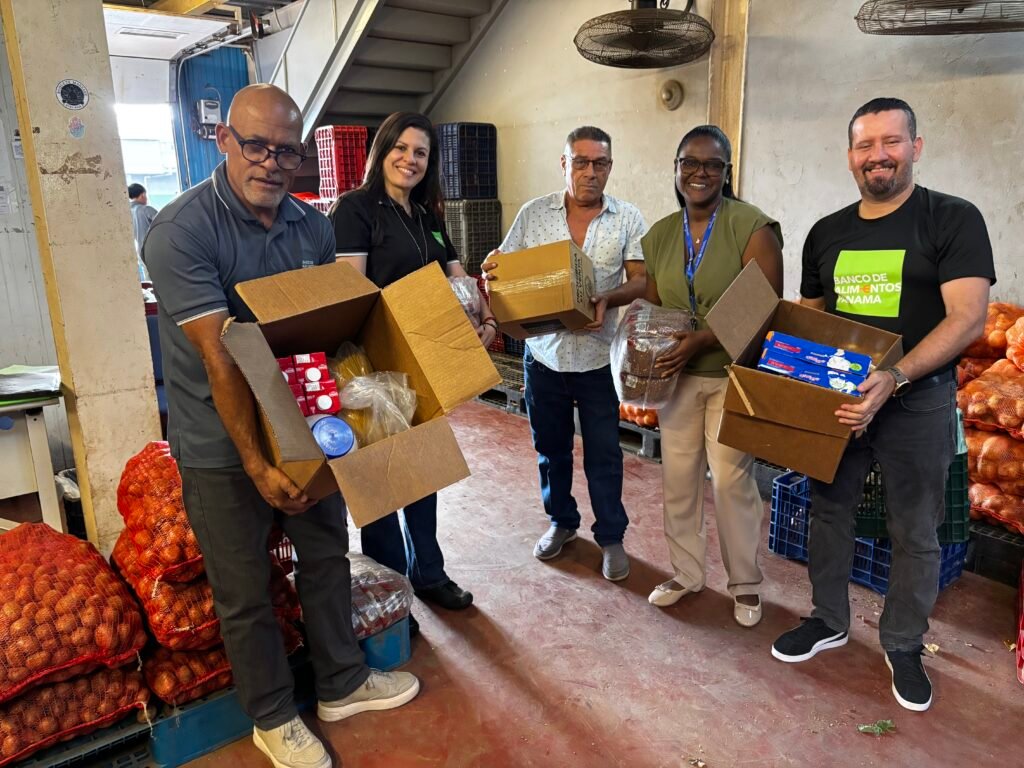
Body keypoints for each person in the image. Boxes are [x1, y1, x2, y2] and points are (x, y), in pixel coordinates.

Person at [144, 84, 419, 768]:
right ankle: (271, 717)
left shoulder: (311, 228)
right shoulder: (181, 232)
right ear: (224, 141)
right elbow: (220, 356)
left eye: (286, 152)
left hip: (303, 427)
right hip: (221, 444)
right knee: (244, 589)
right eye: (255, 146)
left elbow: (323, 332)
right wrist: (257, 463)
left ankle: (341, 684)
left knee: (325, 557)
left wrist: (346, 420)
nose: (271, 163)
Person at [771, 98, 994, 713]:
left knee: (914, 530)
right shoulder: (827, 232)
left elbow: (967, 317)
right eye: (865, 145)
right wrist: (794, 379)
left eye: (891, 142)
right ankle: (828, 619)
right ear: (850, 156)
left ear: (915, 147)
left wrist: (893, 378)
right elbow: (810, 321)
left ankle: (903, 643)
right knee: (827, 510)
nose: (879, 156)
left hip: (917, 402)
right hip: (841, 402)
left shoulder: (952, 219)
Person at [329, 112, 495, 626]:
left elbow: (457, 277)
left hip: (424, 362)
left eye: (420, 152)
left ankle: (429, 573)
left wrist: (484, 315)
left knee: (423, 472)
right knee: (382, 484)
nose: (409, 159)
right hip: (372, 368)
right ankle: (390, 595)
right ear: (382, 150)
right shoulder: (355, 209)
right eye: (400, 148)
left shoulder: (426, 215)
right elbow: (350, 293)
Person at [483, 126, 647, 581]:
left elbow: (641, 280)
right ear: (564, 164)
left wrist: (607, 298)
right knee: (551, 448)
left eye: (600, 163)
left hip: (598, 360)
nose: (590, 172)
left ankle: (611, 537)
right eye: (581, 162)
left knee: (604, 453)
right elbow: (504, 264)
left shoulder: (627, 217)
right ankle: (562, 521)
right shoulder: (534, 214)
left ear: (610, 167)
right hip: (545, 356)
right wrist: (494, 268)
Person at [640, 125, 784, 627]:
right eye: (690, 163)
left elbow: (762, 302)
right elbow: (653, 304)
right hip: (677, 380)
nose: (699, 173)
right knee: (678, 479)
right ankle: (686, 573)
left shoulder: (751, 227)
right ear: (676, 169)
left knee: (730, 480)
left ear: (727, 172)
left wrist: (701, 340)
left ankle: (745, 584)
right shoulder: (661, 234)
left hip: (730, 375)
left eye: (712, 164)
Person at [129, 183, 157, 281]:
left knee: (150, 281)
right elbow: (165, 224)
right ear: (142, 195)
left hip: (140, 252)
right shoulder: (146, 210)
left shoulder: (127, 212)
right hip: (154, 251)